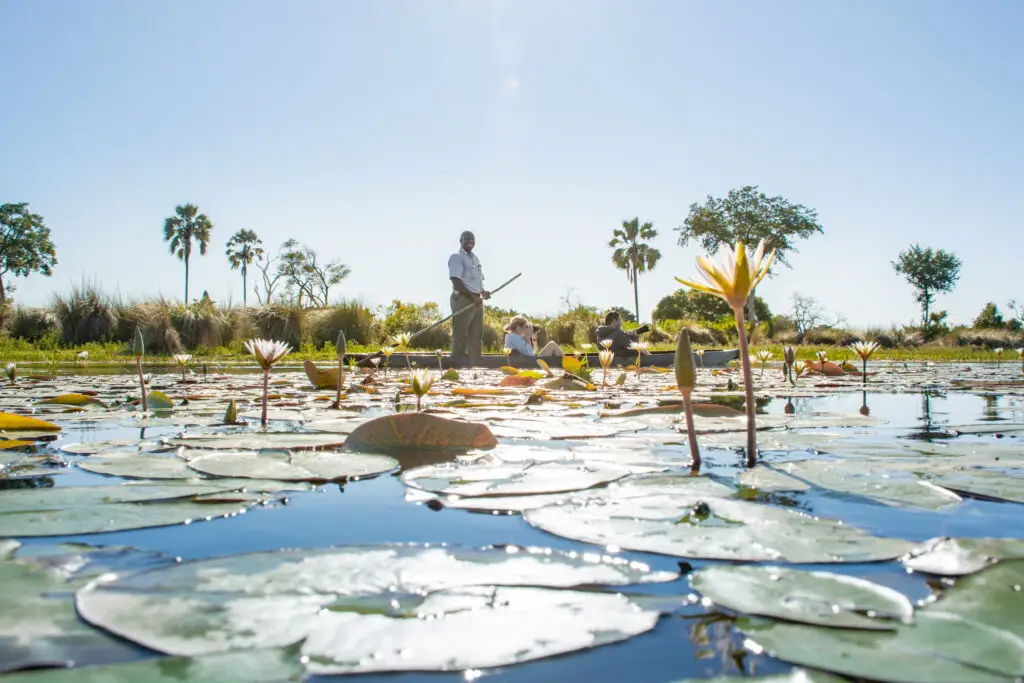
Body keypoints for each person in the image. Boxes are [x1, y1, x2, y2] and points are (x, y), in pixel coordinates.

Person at [448, 231, 490, 367]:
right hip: (463, 299)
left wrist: (483, 292)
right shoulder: (457, 257)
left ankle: (475, 362)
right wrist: (472, 297)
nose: (470, 242)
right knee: (461, 332)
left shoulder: (475, 259)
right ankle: (457, 363)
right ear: (460, 240)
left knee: (477, 333)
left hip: (477, 300)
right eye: (467, 239)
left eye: (472, 239)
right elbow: (456, 282)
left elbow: (476, 282)